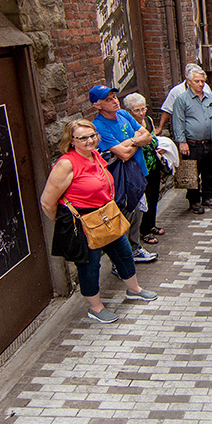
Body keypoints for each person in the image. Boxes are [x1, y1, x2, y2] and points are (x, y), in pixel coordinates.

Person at [41, 119, 157, 324]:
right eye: (83, 138)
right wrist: (67, 225)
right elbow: (47, 203)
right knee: (90, 265)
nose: (90, 141)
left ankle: (134, 289)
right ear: (71, 141)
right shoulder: (66, 164)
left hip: (106, 215)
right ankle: (95, 307)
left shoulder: (95, 155)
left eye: (92, 136)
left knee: (123, 252)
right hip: (84, 221)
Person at [89, 85, 158, 264]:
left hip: (139, 173)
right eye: (108, 99)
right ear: (97, 105)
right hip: (122, 179)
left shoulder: (124, 114)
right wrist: (137, 140)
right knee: (124, 217)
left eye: (114, 97)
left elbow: (148, 136)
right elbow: (124, 154)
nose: (114, 101)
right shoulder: (99, 126)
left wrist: (130, 141)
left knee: (138, 213)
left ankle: (134, 249)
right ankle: (121, 260)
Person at [172, 66, 212, 214]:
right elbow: (178, 121)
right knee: (192, 173)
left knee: (210, 171)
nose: (200, 84)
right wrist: (181, 142)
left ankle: (208, 196)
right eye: (197, 81)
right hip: (192, 143)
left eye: (202, 81)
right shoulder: (182, 99)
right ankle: (194, 200)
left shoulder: (210, 97)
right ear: (188, 81)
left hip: (209, 142)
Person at [123, 93, 167, 245]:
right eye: (137, 110)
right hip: (138, 167)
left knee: (153, 196)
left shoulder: (147, 120)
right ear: (129, 111)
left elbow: (153, 139)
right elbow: (131, 144)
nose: (141, 113)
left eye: (143, 109)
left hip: (152, 163)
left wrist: (145, 141)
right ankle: (144, 230)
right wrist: (142, 140)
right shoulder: (126, 125)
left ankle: (151, 224)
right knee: (143, 199)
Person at [158, 63, 212, 136]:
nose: (200, 84)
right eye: (196, 81)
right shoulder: (177, 91)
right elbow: (167, 110)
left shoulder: (205, 87)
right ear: (187, 76)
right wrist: (160, 127)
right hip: (187, 133)